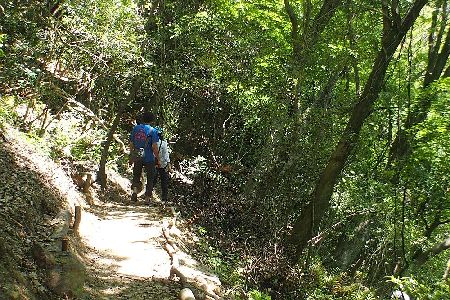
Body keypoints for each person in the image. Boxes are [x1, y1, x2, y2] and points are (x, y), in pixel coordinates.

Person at [129, 111, 160, 203]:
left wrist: (131, 156)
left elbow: (131, 144)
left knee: (136, 175)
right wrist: (158, 158)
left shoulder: (136, 128)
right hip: (149, 158)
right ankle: (147, 198)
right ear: (152, 120)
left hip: (138, 156)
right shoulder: (153, 131)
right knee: (150, 177)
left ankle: (134, 192)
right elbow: (154, 146)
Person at [153, 126, 170, 202]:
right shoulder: (163, 143)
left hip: (153, 164)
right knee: (164, 182)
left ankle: (148, 196)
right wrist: (169, 165)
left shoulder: (151, 143)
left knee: (152, 181)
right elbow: (166, 155)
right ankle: (164, 198)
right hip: (163, 164)